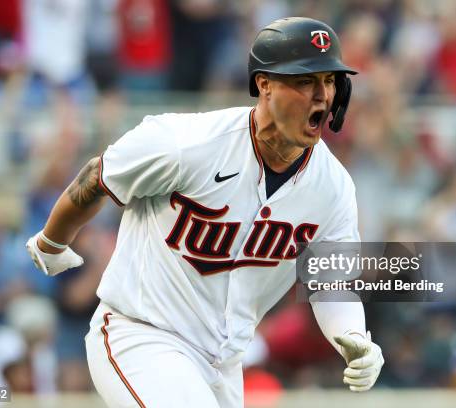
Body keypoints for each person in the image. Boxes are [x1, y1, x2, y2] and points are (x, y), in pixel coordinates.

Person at [26, 17, 384, 407]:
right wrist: (52, 241)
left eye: (329, 81)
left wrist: (355, 336)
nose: (321, 95)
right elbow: (99, 176)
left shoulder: (332, 186)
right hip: (143, 336)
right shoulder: (187, 143)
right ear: (264, 85)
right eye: (303, 81)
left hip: (224, 365)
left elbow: (331, 283)